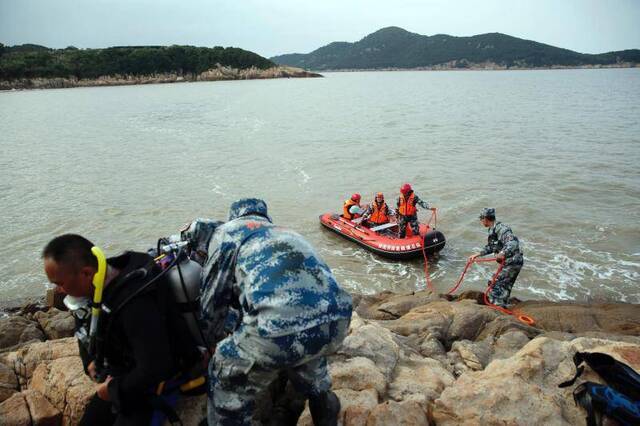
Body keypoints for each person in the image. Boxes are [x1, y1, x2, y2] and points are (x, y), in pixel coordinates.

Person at [194, 198, 353, 426]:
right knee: (304, 346)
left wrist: (208, 344)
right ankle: (323, 401)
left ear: (234, 216)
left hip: (279, 330)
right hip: (337, 321)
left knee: (224, 376)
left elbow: (212, 307)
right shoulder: (286, 233)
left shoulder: (227, 233)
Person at [42, 234, 201, 425]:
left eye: (59, 283)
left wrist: (112, 391)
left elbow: (156, 366)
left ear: (85, 273)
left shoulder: (134, 302)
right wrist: (90, 361)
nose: (58, 290)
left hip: (152, 382)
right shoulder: (98, 280)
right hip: (123, 371)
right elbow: (84, 328)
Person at [468, 208, 524, 308]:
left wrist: (502, 253)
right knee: (505, 285)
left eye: (481, 219)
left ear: (485, 219)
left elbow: (513, 242)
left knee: (495, 284)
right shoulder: (492, 229)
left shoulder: (501, 228)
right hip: (511, 261)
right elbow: (491, 247)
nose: (481, 221)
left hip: (513, 261)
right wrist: (478, 254)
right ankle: (503, 305)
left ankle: (497, 308)